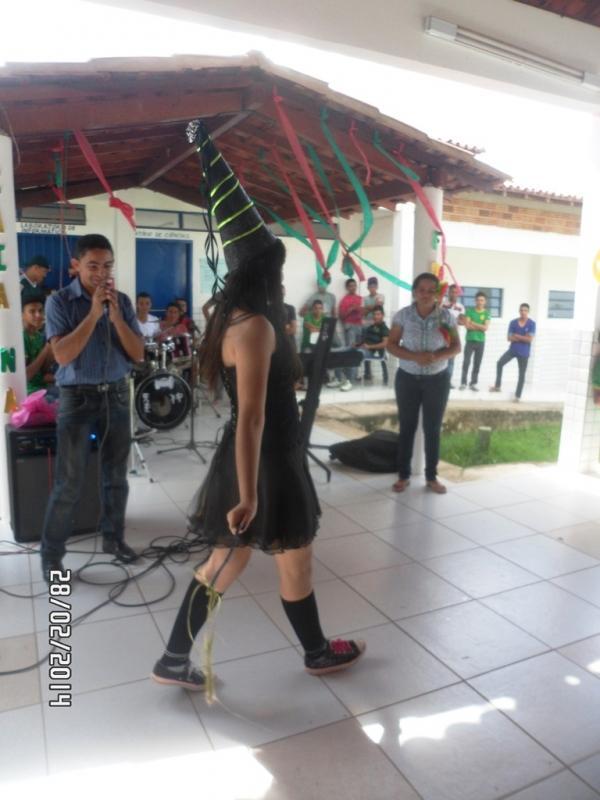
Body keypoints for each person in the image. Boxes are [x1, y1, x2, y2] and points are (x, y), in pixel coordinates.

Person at [151, 120, 365, 691]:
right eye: (276, 261)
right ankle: (316, 651)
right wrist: (249, 493)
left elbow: (256, 404)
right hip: (265, 459)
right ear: (261, 268)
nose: (282, 269)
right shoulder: (255, 328)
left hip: (259, 454)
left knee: (234, 558)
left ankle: (175, 659)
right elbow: (250, 417)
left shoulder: (231, 318)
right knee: (284, 555)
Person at [39, 234, 144, 583]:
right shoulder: (59, 302)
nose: (101, 273)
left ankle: (114, 540)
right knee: (69, 483)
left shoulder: (123, 302)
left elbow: (138, 353)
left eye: (107, 266)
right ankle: (52, 556)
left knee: (115, 478)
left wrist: (113, 317)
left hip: (115, 395)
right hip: (77, 399)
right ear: (77, 266)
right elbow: (63, 355)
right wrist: (93, 313)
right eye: (93, 266)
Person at [387, 272, 461, 495]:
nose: (426, 294)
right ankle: (403, 476)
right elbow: (391, 345)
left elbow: (456, 347)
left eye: (431, 290)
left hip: (437, 380)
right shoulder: (403, 316)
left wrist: (435, 357)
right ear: (414, 292)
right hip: (407, 378)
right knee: (407, 427)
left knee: (432, 429)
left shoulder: (446, 317)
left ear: (438, 293)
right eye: (422, 290)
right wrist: (415, 357)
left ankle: (431, 477)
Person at [490, 303, 536, 401]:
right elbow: (509, 338)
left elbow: (529, 340)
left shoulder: (532, 323)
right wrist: (523, 337)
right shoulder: (513, 322)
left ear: (528, 312)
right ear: (519, 311)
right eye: (521, 310)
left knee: (521, 374)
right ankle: (497, 386)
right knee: (500, 363)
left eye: (525, 310)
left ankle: (517, 396)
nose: (523, 312)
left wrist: (517, 336)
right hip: (513, 350)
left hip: (524, 353)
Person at [22, 290, 55, 394]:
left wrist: (51, 352)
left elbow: (42, 372)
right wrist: (46, 350)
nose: (38, 315)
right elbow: (26, 376)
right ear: (22, 314)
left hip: (42, 387)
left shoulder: (38, 336)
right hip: (29, 391)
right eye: (32, 311)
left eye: (40, 311)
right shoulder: (21, 338)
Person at [460, 291, 491, 391]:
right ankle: (463, 383)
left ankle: (473, 383)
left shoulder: (486, 313)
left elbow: (485, 328)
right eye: (478, 300)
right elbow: (467, 326)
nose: (479, 302)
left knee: (477, 363)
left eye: (482, 300)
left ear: (485, 302)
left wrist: (473, 323)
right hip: (470, 340)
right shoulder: (469, 311)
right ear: (475, 301)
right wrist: (479, 326)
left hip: (481, 342)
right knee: (466, 362)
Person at [338, 278, 363, 385]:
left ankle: (355, 375)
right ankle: (349, 376)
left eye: (354, 285)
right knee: (351, 350)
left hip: (359, 326)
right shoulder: (344, 300)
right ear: (347, 287)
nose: (353, 287)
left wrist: (359, 309)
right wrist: (350, 310)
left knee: (358, 350)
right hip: (349, 327)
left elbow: (364, 312)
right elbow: (341, 316)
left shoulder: (360, 298)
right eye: (351, 286)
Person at [441, 284, 465, 389]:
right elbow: (439, 319)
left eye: (456, 292)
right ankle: (439, 380)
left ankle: (447, 382)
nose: (454, 294)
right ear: (448, 292)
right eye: (452, 292)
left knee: (451, 360)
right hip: (442, 336)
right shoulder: (443, 305)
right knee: (441, 358)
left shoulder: (461, 307)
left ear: (458, 294)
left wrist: (459, 320)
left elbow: (462, 321)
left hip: (454, 337)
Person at [359, 305, 389, 384]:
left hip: (368, 350)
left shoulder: (384, 329)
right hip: (363, 348)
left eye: (378, 314)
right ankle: (366, 374)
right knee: (345, 350)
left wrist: (369, 346)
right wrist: (357, 344)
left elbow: (384, 344)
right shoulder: (370, 327)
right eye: (374, 314)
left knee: (354, 354)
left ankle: (349, 380)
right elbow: (364, 340)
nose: (376, 316)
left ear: (383, 315)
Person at [282, 285, 297, 351]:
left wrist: (279, 330)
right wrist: (286, 327)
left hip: (290, 344)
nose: (281, 295)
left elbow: (293, 330)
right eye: (279, 293)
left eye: (282, 293)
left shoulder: (290, 308)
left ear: (285, 293)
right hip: (276, 345)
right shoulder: (270, 309)